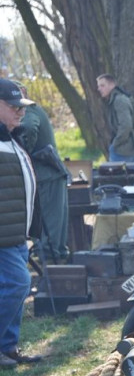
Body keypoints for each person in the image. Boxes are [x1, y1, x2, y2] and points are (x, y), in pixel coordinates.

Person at [0, 78, 43, 368]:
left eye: (22, 107)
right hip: (3, 236)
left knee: (18, 288)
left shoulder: (10, 139)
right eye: (13, 106)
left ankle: (8, 348)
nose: (20, 112)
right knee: (19, 283)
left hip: (16, 235)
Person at [16, 83, 69, 263]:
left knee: (51, 229)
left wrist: (24, 151)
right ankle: (56, 266)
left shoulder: (29, 110)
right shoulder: (32, 109)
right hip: (49, 175)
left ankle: (53, 269)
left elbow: (30, 128)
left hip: (47, 176)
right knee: (54, 228)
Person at [95, 73, 134, 164]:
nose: (99, 89)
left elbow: (126, 125)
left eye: (102, 85)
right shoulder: (113, 100)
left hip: (124, 150)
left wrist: (115, 144)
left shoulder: (119, 100)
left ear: (112, 85)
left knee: (118, 177)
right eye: (98, 86)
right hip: (124, 148)